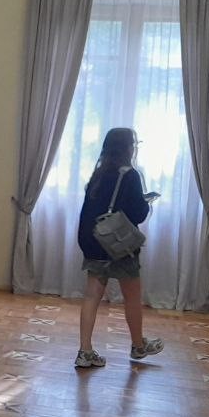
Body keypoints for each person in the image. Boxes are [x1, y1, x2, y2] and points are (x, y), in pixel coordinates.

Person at [74, 126, 165, 368]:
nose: (134, 148)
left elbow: (87, 212)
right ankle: (138, 345)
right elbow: (137, 214)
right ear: (127, 148)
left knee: (91, 296)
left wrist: (86, 245)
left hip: (94, 242)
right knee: (132, 297)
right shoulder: (131, 175)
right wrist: (146, 202)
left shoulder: (98, 174)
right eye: (133, 144)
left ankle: (85, 350)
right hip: (120, 246)